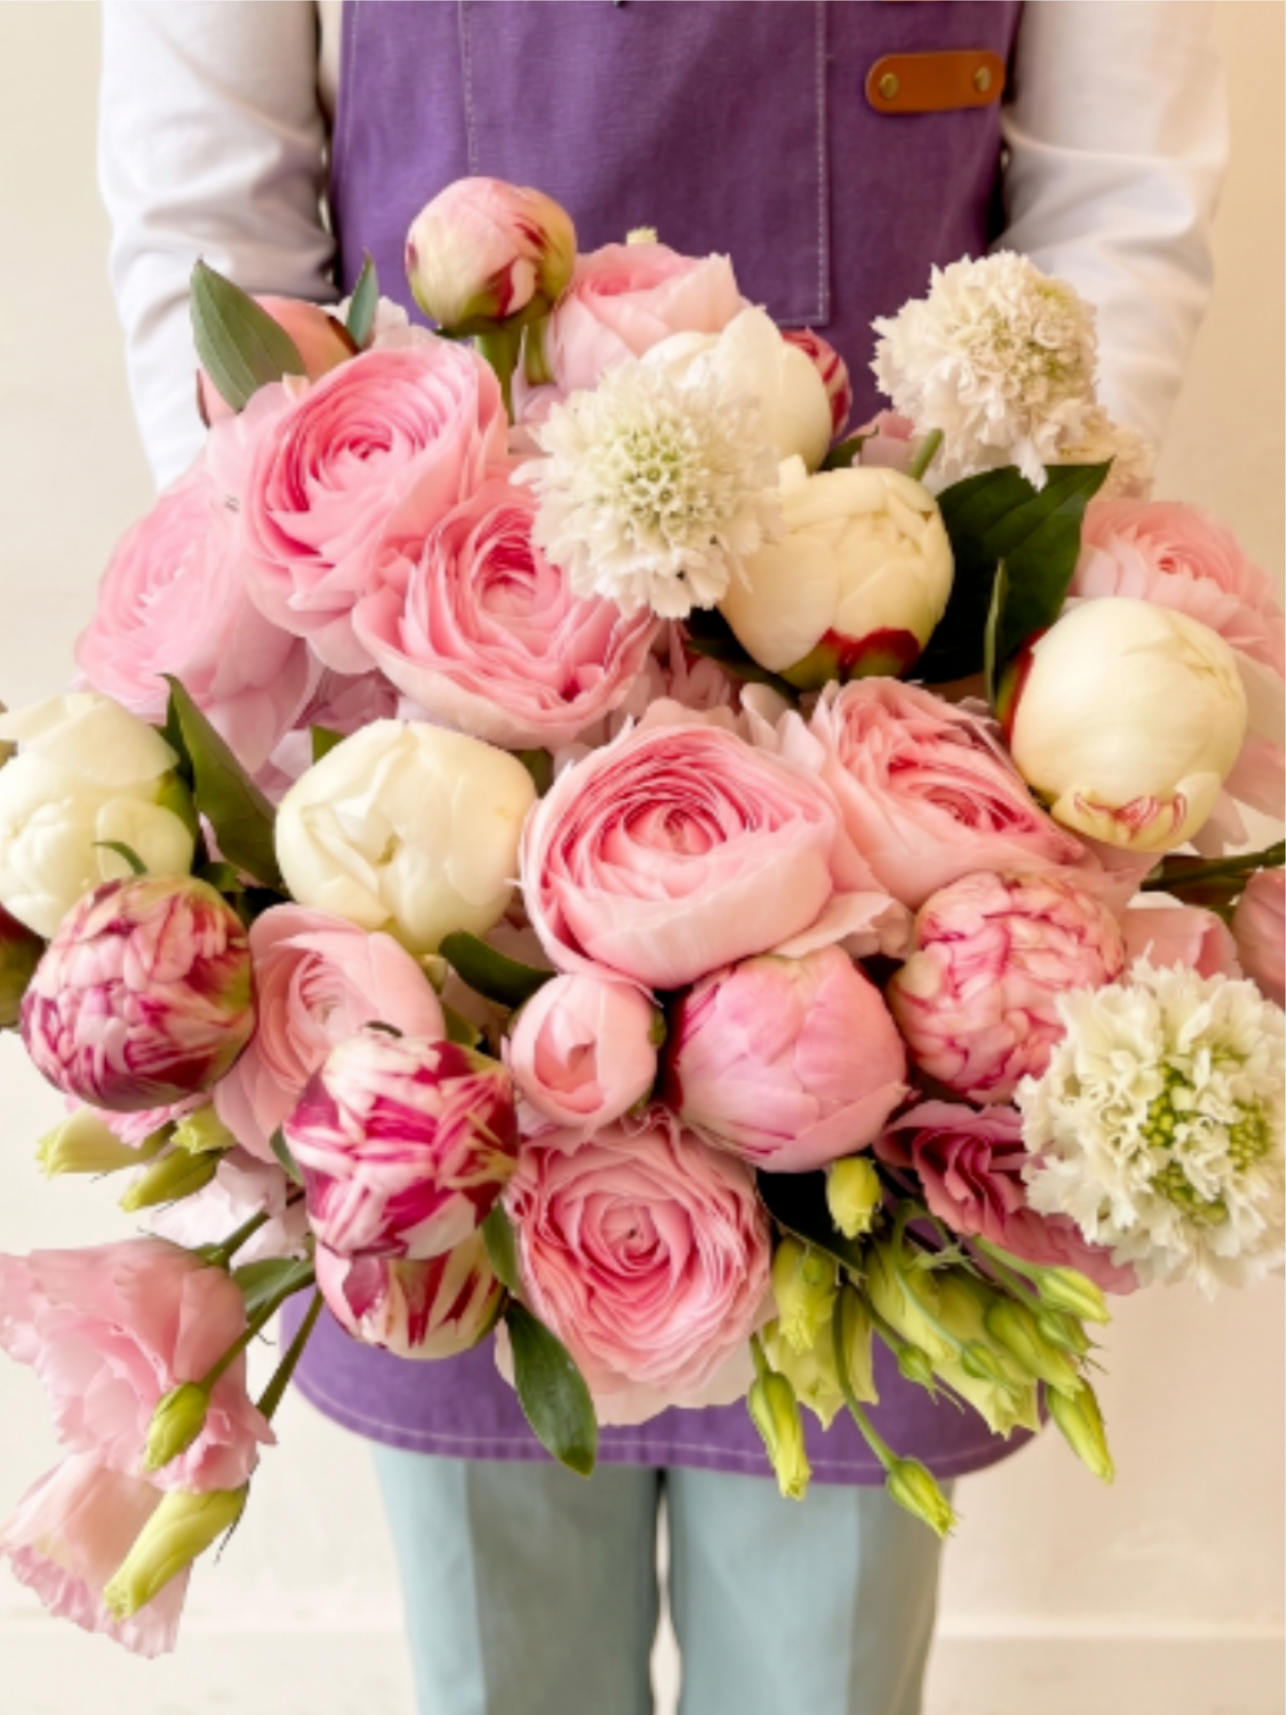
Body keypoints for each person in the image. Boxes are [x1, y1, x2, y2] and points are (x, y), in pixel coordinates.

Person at [97, 4, 1227, 1711]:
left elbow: (1121, 197)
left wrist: (983, 572)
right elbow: (209, 192)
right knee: (505, 1608)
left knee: (825, 1598)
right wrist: (304, 599)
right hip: (428, 737)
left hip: (906, 744)